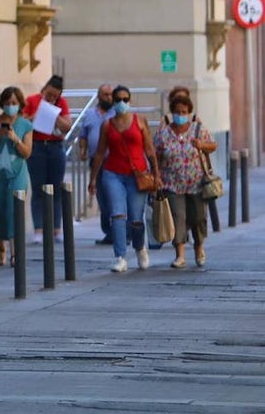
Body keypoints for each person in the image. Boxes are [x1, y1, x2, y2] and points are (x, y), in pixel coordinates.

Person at [88, 85, 161, 273]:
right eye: (118, 99)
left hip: (137, 175)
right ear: (113, 101)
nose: (122, 103)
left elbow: (150, 149)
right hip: (113, 174)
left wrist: (156, 173)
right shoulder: (107, 124)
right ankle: (120, 256)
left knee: (136, 218)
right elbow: (99, 153)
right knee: (117, 215)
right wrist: (93, 179)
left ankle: (139, 248)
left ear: (130, 100)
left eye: (125, 99)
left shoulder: (140, 121)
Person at [153, 93, 215, 268]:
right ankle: (180, 254)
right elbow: (155, 155)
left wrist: (201, 145)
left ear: (189, 112)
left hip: (196, 183)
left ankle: (199, 247)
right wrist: (156, 176)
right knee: (177, 217)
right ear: (172, 112)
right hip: (172, 183)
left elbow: (213, 145)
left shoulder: (198, 129)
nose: (181, 115)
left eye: (184, 112)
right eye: (178, 112)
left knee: (198, 217)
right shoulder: (163, 134)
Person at [0, 86, 33, 266]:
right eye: (8, 103)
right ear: (2, 103)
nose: (10, 106)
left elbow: (27, 153)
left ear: (20, 104)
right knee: (0, 210)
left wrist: (15, 138)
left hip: (18, 174)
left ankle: (15, 251)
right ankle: (1, 246)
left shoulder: (25, 124)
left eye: (14, 103)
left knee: (14, 210)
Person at [22, 75, 74, 243]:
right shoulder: (31, 100)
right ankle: (39, 229)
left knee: (56, 189)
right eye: (49, 94)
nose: (51, 98)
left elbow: (67, 126)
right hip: (37, 146)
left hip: (55, 147)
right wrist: (37, 114)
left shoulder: (61, 103)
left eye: (55, 96)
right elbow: (22, 122)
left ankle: (56, 229)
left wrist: (53, 113)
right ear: (44, 89)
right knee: (38, 188)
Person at [78, 83, 115, 245]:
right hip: (96, 162)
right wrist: (83, 150)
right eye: (105, 95)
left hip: (114, 161)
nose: (109, 98)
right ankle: (109, 232)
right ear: (99, 96)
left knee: (115, 196)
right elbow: (83, 135)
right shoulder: (90, 114)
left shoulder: (117, 114)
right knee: (102, 197)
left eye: (111, 95)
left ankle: (121, 232)